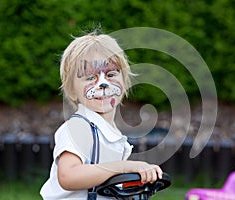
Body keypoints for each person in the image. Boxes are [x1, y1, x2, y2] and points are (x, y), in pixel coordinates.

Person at [40, 30, 163, 200]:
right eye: (91, 78)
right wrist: (124, 167)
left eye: (111, 75)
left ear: (124, 82)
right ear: (72, 91)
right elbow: (68, 176)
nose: (103, 84)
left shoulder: (109, 133)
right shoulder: (80, 127)